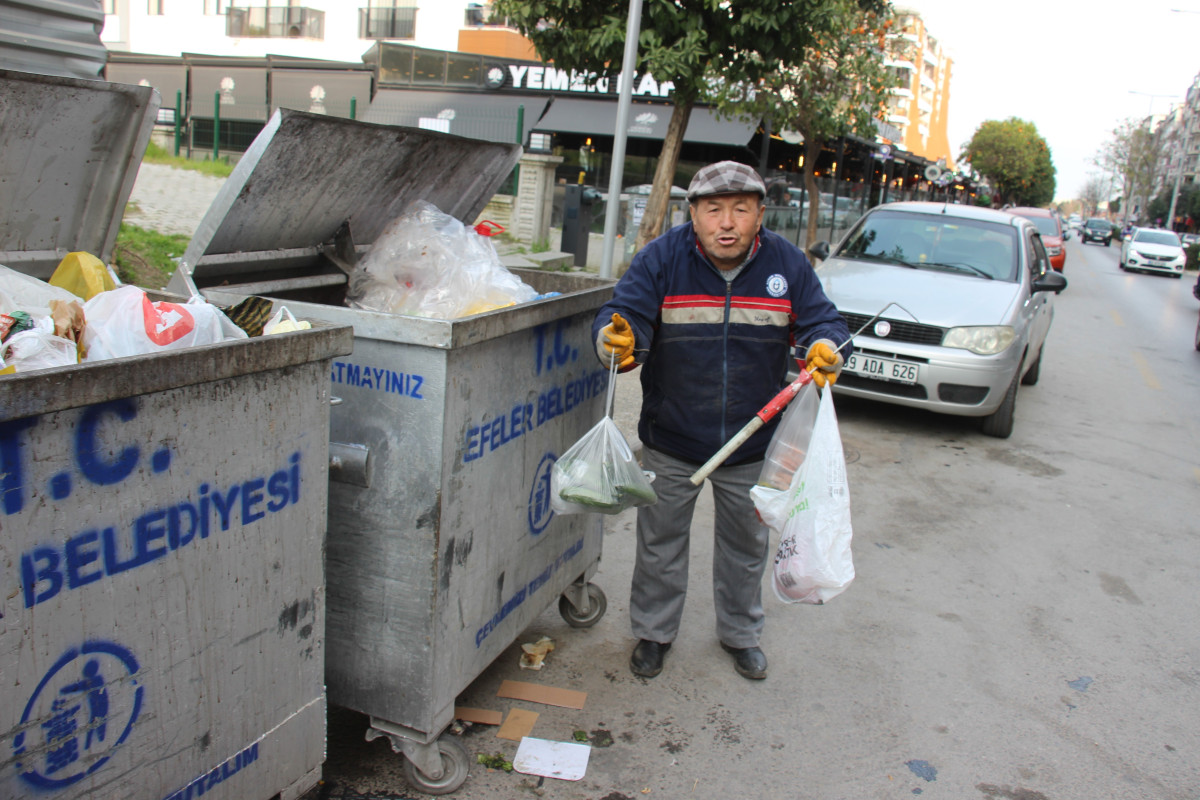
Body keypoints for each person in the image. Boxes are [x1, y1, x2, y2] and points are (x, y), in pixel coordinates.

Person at [592, 161, 851, 681]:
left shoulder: (787, 264)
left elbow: (824, 321)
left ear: (760, 214)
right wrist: (613, 341)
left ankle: (741, 633)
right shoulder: (662, 258)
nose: (726, 223)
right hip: (672, 434)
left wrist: (825, 347)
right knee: (659, 543)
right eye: (714, 210)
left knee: (746, 547)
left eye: (740, 209)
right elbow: (624, 314)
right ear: (694, 214)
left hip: (751, 442)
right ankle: (653, 632)